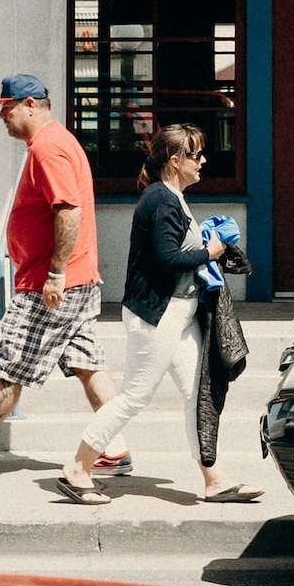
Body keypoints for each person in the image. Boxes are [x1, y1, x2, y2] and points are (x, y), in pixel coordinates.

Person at [0, 75, 131, 486]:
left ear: (32, 105)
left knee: (11, 361)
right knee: (87, 363)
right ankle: (114, 446)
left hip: (49, 284)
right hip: (77, 278)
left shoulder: (49, 148)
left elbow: (68, 211)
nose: (3, 115)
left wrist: (54, 273)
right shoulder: (58, 142)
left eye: (8, 106)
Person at [61, 123, 263, 505]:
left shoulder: (170, 196)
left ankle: (214, 480)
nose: (203, 161)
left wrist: (204, 243)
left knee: (195, 394)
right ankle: (78, 468)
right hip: (157, 315)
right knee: (136, 396)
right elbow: (167, 258)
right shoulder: (161, 199)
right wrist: (211, 252)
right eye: (196, 154)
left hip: (179, 314)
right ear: (175, 160)